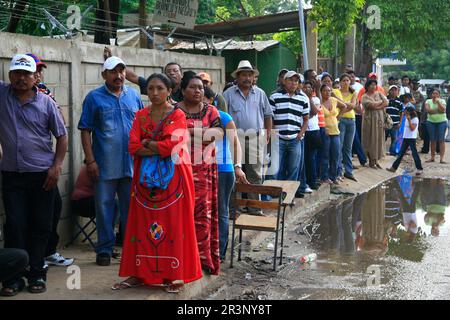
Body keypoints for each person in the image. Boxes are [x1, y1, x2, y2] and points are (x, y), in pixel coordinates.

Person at [112, 74, 202, 293]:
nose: (154, 93)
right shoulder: (141, 115)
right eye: (151, 88)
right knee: (141, 224)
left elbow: (173, 146)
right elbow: (133, 146)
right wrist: (156, 146)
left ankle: (174, 275)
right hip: (144, 180)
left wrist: (148, 143)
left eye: (160, 88)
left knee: (174, 225)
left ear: (170, 91)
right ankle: (138, 273)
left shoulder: (178, 115)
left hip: (175, 180)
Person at [0, 54, 68, 294]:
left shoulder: (46, 102)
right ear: (9, 75)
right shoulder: (2, 96)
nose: (21, 78)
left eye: (26, 73)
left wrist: (57, 166)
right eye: (17, 73)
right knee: (15, 225)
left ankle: (37, 274)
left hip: (42, 176)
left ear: (34, 76)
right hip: (12, 175)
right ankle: (13, 278)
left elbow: (62, 135)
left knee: (41, 226)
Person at [78, 56, 144, 266]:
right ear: (104, 75)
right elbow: (85, 130)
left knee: (131, 208)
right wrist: (90, 161)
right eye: (113, 72)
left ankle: (130, 249)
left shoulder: (133, 96)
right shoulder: (94, 98)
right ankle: (104, 249)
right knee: (104, 207)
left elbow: (143, 126)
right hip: (104, 164)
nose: (118, 76)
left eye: (121, 71)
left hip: (131, 164)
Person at [25, 53, 74, 267]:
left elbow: (61, 120)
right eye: (33, 70)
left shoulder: (44, 91)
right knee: (28, 214)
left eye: (39, 70)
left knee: (54, 206)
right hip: (23, 166)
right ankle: (32, 257)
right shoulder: (12, 94)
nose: (37, 74)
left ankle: (48, 252)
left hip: (46, 163)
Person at [177, 72, 223, 275]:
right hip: (178, 170)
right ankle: (182, 260)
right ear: (182, 90)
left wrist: (189, 132)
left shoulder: (211, 110)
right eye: (193, 87)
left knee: (202, 215)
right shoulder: (174, 110)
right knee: (180, 214)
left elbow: (218, 135)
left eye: (201, 88)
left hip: (204, 172)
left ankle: (203, 260)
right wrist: (202, 135)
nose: (198, 91)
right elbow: (172, 137)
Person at [204, 86, 249, 261]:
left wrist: (238, 166)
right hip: (202, 169)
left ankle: (220, 252)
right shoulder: (194, 118)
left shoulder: (223, 117)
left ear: (210, 100)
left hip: (223, 170)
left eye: (204, 99)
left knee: (221, 211)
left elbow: (235, 144)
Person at [224, 60, 273, 213]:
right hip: (234, 139)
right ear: (237, 77)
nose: (247, 78)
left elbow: (268, 115)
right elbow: (222, 116)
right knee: (234, 173)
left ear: (253, 77)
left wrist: (267, 134)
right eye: (243, 75)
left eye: (249, 75)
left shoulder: (260, 93)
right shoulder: (228, 94)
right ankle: (235, 208)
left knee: (255, 175)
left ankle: (254, 208)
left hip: (255, 138)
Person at [270, 71, 309, 195]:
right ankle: (274, 192)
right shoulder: (275, 97)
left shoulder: (303, 99)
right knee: (275, 168)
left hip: (295, 139)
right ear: (284, 81)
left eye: (296, 81)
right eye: (291, 80)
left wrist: (300, 134)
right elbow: (270, 117)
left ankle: (289, 193)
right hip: (279, 138)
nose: (293, 83)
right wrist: (272, 133)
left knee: (294, 168)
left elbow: (306, 119)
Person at [104, 47, 183, 102]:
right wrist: (112, 62)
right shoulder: (153, 85)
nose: (172, 73)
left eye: (175, 70)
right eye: (168, 71)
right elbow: (133, 77)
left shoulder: (188, 88)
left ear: (182, 74)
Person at [320, 84, 347, 185]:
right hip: (325, 132)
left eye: (329, 91)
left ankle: (333, 176)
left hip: (335, 131)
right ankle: (324, 177)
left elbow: (344, 106)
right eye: (325, 91)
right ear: (321, 92)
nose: (327, 93)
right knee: (325, 155)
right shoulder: (319, 101)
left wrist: (338, 118)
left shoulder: (333, 100)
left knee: (336, 155)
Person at [387, 107, 423, 175]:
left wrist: (409, 120)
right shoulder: (406, 118)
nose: (405, 113)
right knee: (401, 153)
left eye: (406, 112)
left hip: (411, 138)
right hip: (406, 138)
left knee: (414, 153)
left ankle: (419, 168)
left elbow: (412, 128)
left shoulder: (415, 119)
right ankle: (394, 167)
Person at [361, 78, 389, 169]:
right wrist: (380, 103)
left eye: (374, 84)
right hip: (369, 121)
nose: (373, 86)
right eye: (371, 85)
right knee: (369, 140)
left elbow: (386, 102)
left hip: (379, 120)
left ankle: (376, 160)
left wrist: (377, 106)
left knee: (378, 139)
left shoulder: (379, 93)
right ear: (367, 86)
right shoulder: (364, 96)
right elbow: (370, 105)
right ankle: (370, 161)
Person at [337, 73, 358, 182]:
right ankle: (339, 171)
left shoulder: (354, 92)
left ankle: (348, 172)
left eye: (347, 80)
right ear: (340, 82)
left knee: (348, 147)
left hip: (351, 121)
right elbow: (346, 105)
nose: (346, 82)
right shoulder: (337, 92)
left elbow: (353, 106)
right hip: (340, 121)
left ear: (350, 82)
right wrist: (347, 105)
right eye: (344, 80)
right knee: (339, 146)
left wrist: (343, 105)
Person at [303, 81, 322, 189]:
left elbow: (314, 112)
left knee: (312, 157)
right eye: (305, 87)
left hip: (314, 131)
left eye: (309, 87)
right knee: (305, 158)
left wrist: (309, 98)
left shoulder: (315, 99)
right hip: (304, 131)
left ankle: (313, 181)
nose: (307, 89)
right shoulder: (299, 99)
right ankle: (306, 181)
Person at [425, 89, 447, 163]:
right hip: (431, 122)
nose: (435, 95)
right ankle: (432, 157)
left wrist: (438, 103)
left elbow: (443, 110)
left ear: (439, 95)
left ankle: (442, 158)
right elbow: (428, 110)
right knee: (433, 140)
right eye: (433, 93)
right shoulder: (428, 101)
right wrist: (438, 110)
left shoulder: (442, 101)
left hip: (442, 122)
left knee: (441, 140)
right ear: (431, 95)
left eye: (436, 93)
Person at [385, 85, 403, 156]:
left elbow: (401, 112)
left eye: (395, 90)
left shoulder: (399, 101)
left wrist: (400, 123)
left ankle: (392, 152)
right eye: (392, 90)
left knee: (394, 138)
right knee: (383, 138)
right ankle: (381, 152)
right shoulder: (385, 99)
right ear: (389, 91)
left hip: (395, 123)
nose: (393, 92)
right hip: (386, 123)